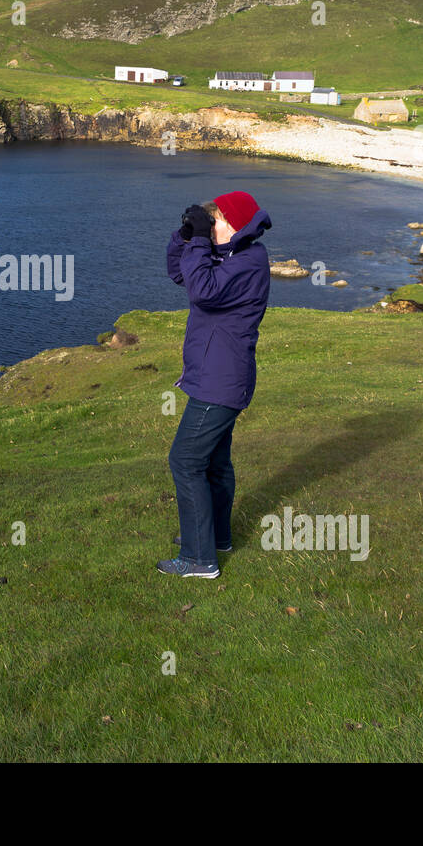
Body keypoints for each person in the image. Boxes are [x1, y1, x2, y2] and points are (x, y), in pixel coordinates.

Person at [159, 191, 272, 578]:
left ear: (236, 226)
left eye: (217, 221)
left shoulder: (248, 262)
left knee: (186, 461)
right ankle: (216, 537)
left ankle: (198, 558)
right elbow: (180, 272)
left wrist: (200, 242)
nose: (213, 227)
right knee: (215, 462)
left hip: (219, 383)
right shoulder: (233, 256)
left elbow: (201, 290)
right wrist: (187, 234)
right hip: (218, 377)